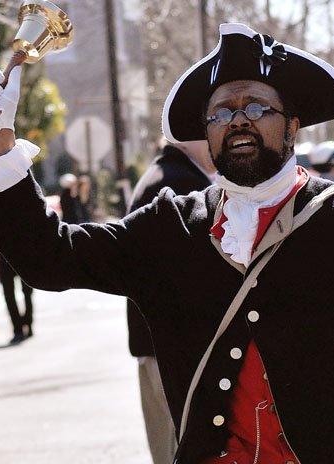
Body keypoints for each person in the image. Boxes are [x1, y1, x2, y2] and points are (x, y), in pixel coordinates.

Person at [0, 23, 334, 464]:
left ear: (293, 127)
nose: (238, 120)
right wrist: (1, 147)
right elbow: (50, 257)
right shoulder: (169, 226)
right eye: (221, 112)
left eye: (257, 106)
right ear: (207, 134)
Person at [127, 139, 216, 464]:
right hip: (174, 350)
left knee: (168, 452)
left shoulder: (162, 175)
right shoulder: (179, 184)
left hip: (155, 346)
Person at [0, 255, 34, 344]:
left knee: (27, 292)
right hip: (5, 256)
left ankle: (27, 324)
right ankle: (18, 329)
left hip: (23, 255)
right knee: (9, 295)